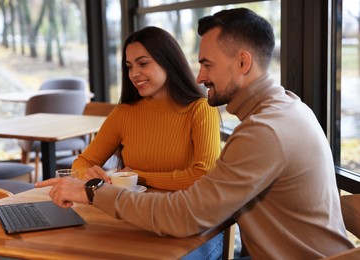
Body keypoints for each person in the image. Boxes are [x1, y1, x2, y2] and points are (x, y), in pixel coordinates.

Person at [36, 8, 355, 259]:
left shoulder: (264, 130)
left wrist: (92, 190)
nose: (200, 75)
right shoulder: (289, 107)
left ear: (243, 62)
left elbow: (186, 214)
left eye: (207, 64)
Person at [72, 26, 221, 191]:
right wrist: (87, 174)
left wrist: (136, 176)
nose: (134, 74)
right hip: (130, 210)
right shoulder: (124, 113)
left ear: (168, 62)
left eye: (143, 63)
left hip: (180, 212)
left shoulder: (200, 109)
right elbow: (82, 163)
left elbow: (205, 175)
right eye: (129, 66)